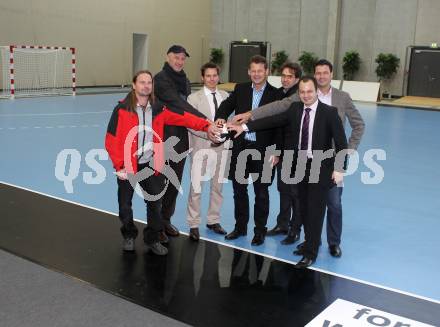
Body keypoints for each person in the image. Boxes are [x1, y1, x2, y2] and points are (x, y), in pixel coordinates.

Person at [232, 59, 365, 258]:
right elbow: (274, 116)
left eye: (309, 91)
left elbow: (345, 135)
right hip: (301, 164)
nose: (306, 94)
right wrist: (246, 123)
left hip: (325, 165)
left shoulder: (333, 108)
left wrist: (341, 165)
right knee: (304, 206)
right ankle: (310, 242)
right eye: (303, 92)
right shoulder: (296, 106)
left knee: (328, 205)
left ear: (329, 76)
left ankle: (324, 246)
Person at [105, 70, 218, 255]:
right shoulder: (122, 110)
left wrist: (206, 125)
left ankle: (152, 238)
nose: (146, 85)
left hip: (151, 164)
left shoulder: (159, 109)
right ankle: (129, 235)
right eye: (142, 82)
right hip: (128, 165)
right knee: (125, 204)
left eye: (149, 82)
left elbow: (184, 118)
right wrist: (120, 166)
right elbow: (111, 140)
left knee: (155, 204)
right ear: (134, 85)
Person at [214, 55, 278, 246]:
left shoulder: (276, 95)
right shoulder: (241, 89)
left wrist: (277, 152)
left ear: (267, 71)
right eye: (253, 71)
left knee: (261, 193)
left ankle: (259, 231)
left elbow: (279, 125)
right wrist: (220, 117)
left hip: (265, 151)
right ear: (249, 72)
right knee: (239, 191)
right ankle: (240, 227)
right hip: (241, 148)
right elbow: (226, 105)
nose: (257, 74)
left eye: (260, 70)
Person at [154, 45, 214, 238]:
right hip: (164, 139)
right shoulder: (161, 79)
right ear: (168, 57)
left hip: (181, 139)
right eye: (176, 57)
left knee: (174, 183)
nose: (180, 61)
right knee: (160, 183)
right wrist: (205, 120)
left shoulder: (185, 81)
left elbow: (186, 108)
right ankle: (156, 226)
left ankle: (165, 220)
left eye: (182, 58)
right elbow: (180, 105)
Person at [186, 62, 229, 241]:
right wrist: (209, 133)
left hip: (222, 149)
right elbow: (191, 124)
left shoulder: (226, 96)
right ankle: (194, 223)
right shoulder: (193, 99)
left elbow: (230, 121)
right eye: (208, 76)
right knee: (196, 188)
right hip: (200, 148)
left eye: (215, 75)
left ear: (218, 77)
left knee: (217, 187)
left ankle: (213, 220)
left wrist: (225, 134)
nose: (212, 79)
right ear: (203, 77)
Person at [266, 62, 303, 246]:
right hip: (282, 150)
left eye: (290, 76)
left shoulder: (297, 97)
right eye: (284, 75)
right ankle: (283, 224)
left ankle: (295, 228)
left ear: (297, 79)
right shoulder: (280, 93)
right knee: (283, 189)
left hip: (295, 153)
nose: (285, 79)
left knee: (295, 191)